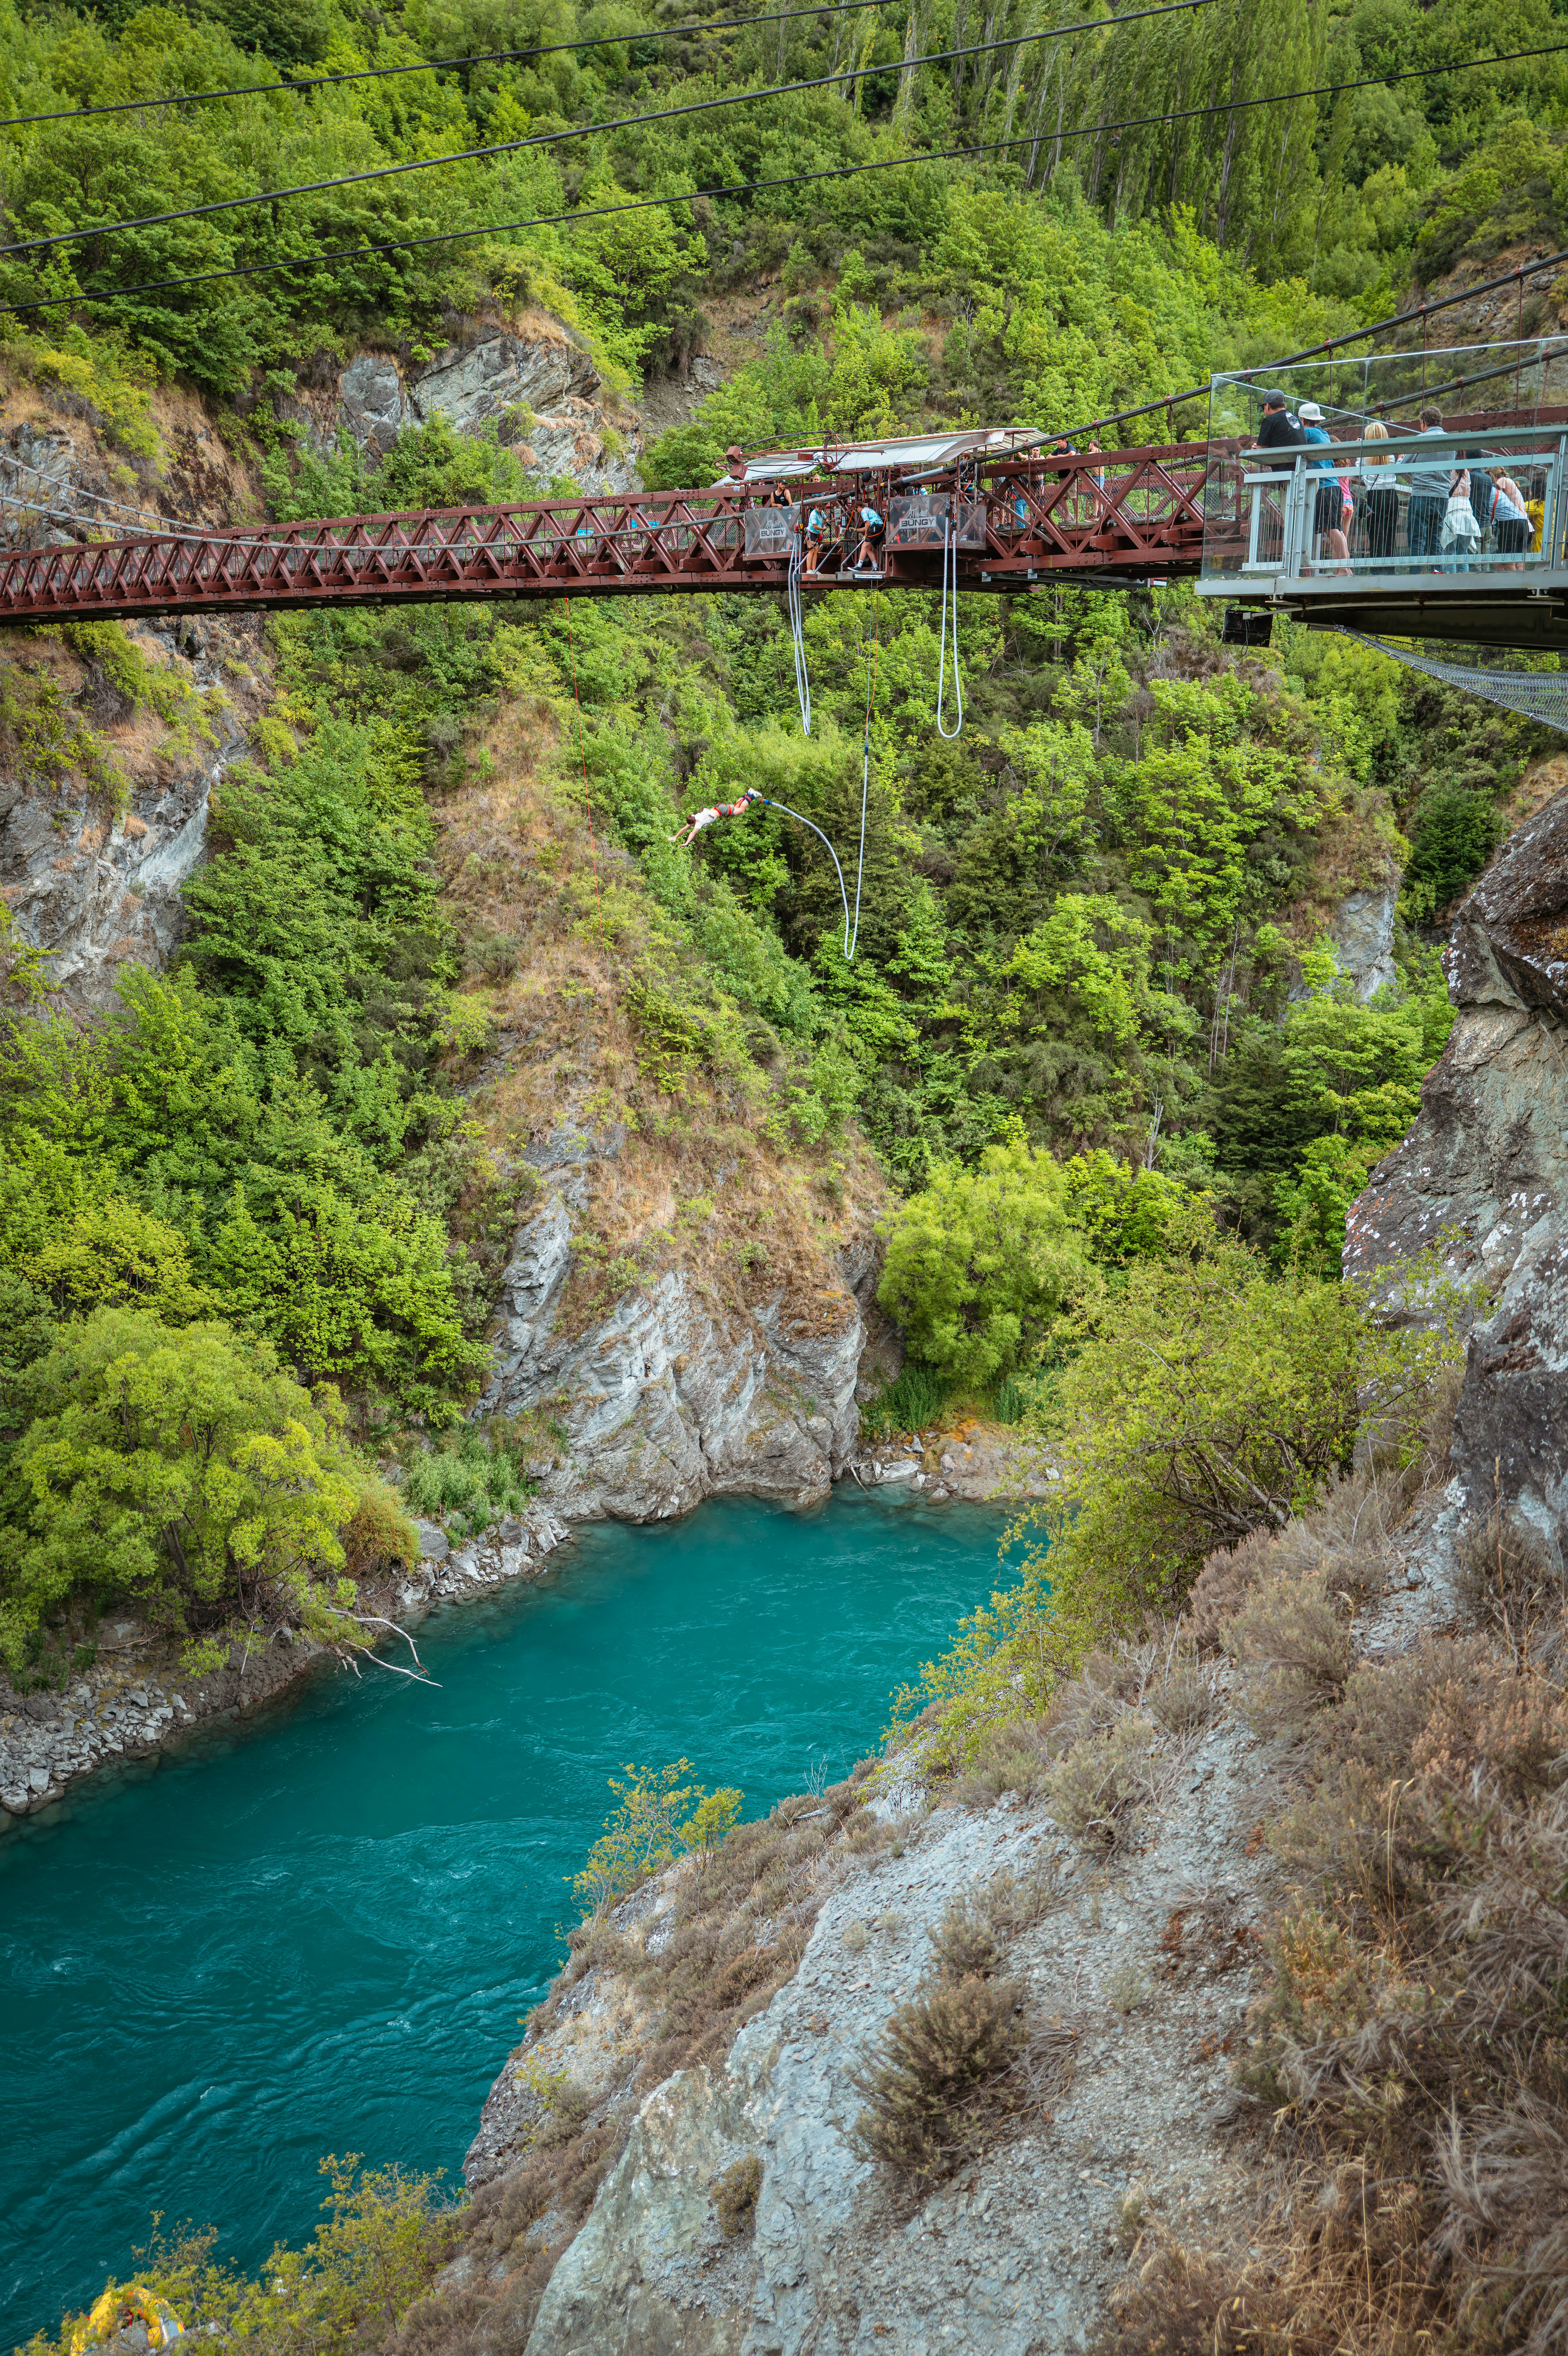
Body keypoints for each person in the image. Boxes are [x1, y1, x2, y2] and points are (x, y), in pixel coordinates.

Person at [1298, 400, 1351, 574]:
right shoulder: (1324, 434)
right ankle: (1345, 568)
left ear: (1302, 420)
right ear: (1318, 420)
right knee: (1336, 528)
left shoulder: (1308, 433)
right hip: (1335, 485)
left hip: (1324, 486)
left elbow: (1294, 448)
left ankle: (1344, 569)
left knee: (1330, 528)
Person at [1406, 405, 1450, 568]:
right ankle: (1436, 576)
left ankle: (1415, 578)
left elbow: (1404, 466)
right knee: (1435, 540)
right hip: (1442, 497)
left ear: (1424, 422)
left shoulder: (1420, 440)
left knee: (1417, 540)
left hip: (1421, 496)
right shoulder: (1451, 442)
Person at [1357, 419, 1400, 563]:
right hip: (1391, 496)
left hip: (1374, 497)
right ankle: (1390, 569)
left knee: (1375, 535)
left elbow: (1358, 471)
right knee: (1390, 534)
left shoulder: (1365, 458)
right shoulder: (1391, 457)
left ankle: (1376, 569)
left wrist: (1359, 450)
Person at [670, 791, 758, 847]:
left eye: (693, 825)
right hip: (718, 807)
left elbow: (693, 833)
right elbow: (685, 829)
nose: (693, 826)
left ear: (694, 822)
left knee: (741, 810)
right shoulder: (695, 816)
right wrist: (676, 837)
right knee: (737, 807)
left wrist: (687, 843)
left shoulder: (699, 822)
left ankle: (753, 795)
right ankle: (748, 794)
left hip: (721, 811)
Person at [1487, 461, 1531, 569]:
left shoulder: (1502, 481)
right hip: (1526, 524)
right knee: (1519, 563)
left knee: (1508, 562)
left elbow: (1494, 496)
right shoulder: (1510, 481)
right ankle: (1522, 585)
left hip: (1511, 523)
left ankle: (1513, 586)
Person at [851, 502, 885, 570]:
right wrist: (856, 530)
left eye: (856, 510)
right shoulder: (869, 510)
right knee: (869, 549)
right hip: (880, 528)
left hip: (876, 527)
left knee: (864, 546)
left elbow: (868, 525)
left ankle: (859, 566)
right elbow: (867, 527)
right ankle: (876, 567)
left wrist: (866, 535)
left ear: (859, 507)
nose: (857, 512)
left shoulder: (864, 511)